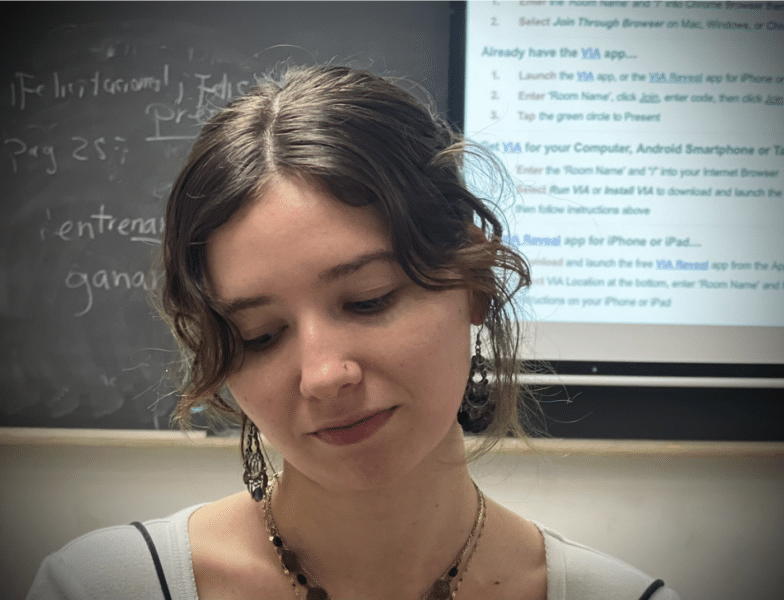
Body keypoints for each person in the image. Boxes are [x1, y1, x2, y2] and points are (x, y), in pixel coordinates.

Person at [27, 65, 679, 600]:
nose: (323, 375)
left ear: (472, 283)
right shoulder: (101, 586)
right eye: (259, 335)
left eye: (368, 301)